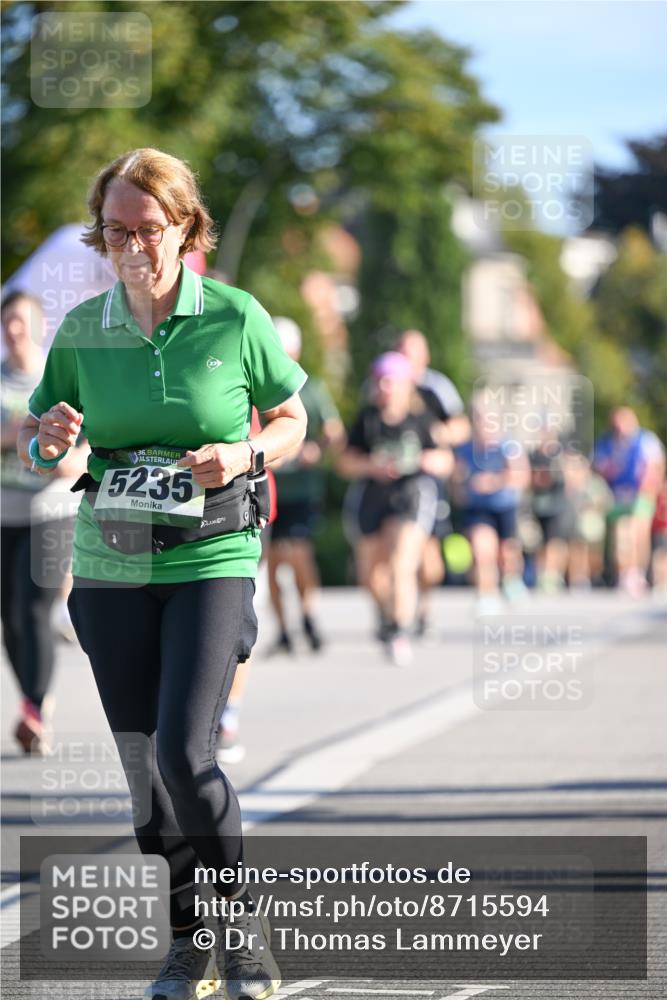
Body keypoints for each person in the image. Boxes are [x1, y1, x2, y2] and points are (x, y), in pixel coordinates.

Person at [16, 148, 307, 1000]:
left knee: (185, 753)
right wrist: (51, 442)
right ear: (99, 236)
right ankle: (187, 947)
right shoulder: (81, 329)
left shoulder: (234, 315)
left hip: (213, 553)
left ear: (184, 227)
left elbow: (292, 418)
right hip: (112, 561)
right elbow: (42, 443)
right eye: (115, 231)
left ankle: (239, 928)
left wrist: (246, 449)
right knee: (144, 768)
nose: (133, 245)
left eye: (149, 228)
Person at [1, 291, 87, 754]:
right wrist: (14, 437)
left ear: (37, 326)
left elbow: (92, 436)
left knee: (33, 607)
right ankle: (30, 701)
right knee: (9, 618)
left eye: (21, 320)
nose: (13, 329)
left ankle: (36, 710)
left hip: (51, 510)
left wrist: (77, 459)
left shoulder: (55, 378)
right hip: (4, 512)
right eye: (7, 320)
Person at [339, 352, 452, 665]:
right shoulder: (366, 420)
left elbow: (445, 460)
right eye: (380, 380)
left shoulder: (421, 420)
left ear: (406, 386)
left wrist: (421, 461)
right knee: (369, 576)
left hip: (411, 495)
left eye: (391, 381)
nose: (384, 386)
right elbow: (345, 463)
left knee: (403, 563)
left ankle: (401, 630)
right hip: (373, 496)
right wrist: (371, 465)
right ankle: (389, 617)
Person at [267, 316, 345, 654]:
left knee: (297, 553)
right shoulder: (258, 382)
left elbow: (333, 431)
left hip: (300, 489)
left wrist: (318, 449)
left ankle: (309, 616)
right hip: (269, 487)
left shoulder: (309, 388)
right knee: (270, 559)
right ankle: (284, 630)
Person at [395, 329, 469, 633]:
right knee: (399, 553)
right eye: (403, 352)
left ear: (424, 357)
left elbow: (462, 427)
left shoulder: (436, 387)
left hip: (428, 479)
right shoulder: (385, 383)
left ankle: (424, 606)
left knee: (429, 559)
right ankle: (400, 612)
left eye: (413, 353)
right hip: (393, 481)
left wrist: (440, 436)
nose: (407, 359)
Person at [453, 396, 530, 613]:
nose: (483, 424)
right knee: (482, 549)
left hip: (504, 506)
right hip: (478, 509)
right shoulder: (466, 448)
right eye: (478, 418)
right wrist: (461, 488)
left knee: (507, 552)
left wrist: (494, 481)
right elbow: (457, 478)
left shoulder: (508, 446)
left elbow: (521, 476)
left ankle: (511, 579)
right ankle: (486, 595)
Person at [593, 407, 665, 595]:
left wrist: (648, 491)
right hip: (617, 494)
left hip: (641, 494)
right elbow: (598, 465)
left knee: (638, 534)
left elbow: (654, 466)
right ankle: (626, 573)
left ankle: (640, 572)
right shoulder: (608, 442)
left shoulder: (645, 439)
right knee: (622, 535)